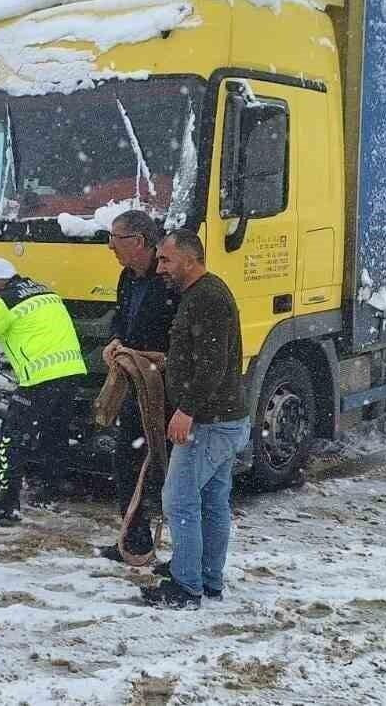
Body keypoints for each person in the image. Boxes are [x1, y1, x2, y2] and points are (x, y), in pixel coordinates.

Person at [141, 230, 251, 609]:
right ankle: (207, 578)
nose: (160, 268)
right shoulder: (201, 295)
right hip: (221, 417)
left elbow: (212, 364)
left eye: (166, 260)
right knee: (211, 500)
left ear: (190, 260)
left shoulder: (208, 297)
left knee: (179, 500)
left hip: (208, 421)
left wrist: (186, 409)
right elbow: (199, 357)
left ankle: (186, 588)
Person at [0, 257, 88, 526]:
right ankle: (51, 488)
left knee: (11, 436)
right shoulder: (45, 291)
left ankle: (7, 503)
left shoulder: (3, 300)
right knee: (54, 432)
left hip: (41, 378)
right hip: (71, 372)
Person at [97, 210, 180, 565]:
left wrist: (158, 357)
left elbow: (181, 332)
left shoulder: (168, 280)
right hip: (134, 381)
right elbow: (121, 316)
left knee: (166, 467)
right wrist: (116, 340)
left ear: (140, 242)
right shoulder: (127, 277)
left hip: (166, 385)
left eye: (117, 239)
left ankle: (183, 554)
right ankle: (133, 541)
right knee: (125, 460)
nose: (111, 247)